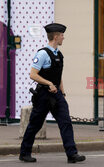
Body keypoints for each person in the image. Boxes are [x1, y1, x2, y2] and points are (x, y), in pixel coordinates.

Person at [19, 23, 86, 163]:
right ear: (56, 37)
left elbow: (58, 75)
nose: (63, 38)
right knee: (35, 125)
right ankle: (24, 153)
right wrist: (48, 83)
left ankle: (72, 154)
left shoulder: (59, 54)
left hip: (57, 95)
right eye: (62, 35)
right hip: (43, 95)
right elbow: (33, 74)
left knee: (66, 122)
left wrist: (62, 92)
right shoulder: (43, 53)